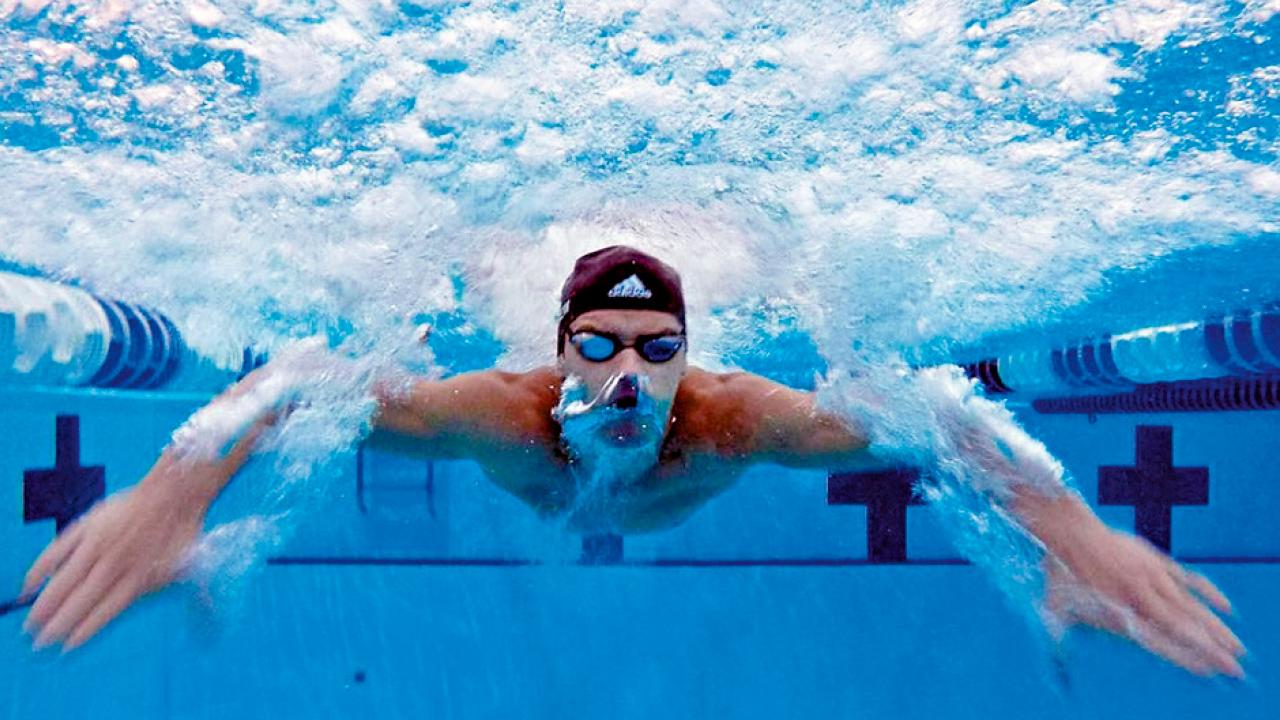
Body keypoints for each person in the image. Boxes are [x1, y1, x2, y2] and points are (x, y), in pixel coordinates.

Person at [19, 245, 1245, 679]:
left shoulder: (736, 418)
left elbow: (932, 411)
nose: (627, 376)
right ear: (558, 352)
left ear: (687, 356)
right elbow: (304, 379)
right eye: (597, 347)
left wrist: (1072, 535)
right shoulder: (497, 411)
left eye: (657, 349)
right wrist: (173, 495)